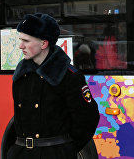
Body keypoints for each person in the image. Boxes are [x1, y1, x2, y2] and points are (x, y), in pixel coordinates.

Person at [8, 13, 100, 159]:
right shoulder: (21, 75)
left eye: (26, 41)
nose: (20, 46)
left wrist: (65, 149)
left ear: (43, 43)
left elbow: (87, 118)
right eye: (20, 40)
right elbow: (18, 123)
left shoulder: (69, 76)